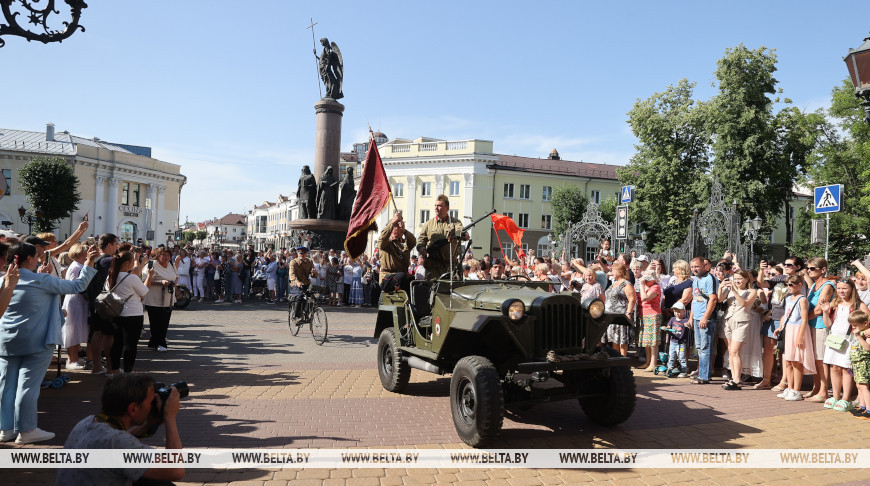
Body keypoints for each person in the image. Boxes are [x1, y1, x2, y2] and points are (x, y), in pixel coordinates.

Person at [0, 242, 97, 444]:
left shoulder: (4, 280)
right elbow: (78, 285)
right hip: (37, 340)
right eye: (37, 256)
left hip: (7, 339)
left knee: (6, 386)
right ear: (28, 258)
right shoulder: (41, 280)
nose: (39, 259)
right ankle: (26, 430)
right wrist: (89, 262)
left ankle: (6, 428)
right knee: (27, 386)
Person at [56, 374, 184, 485]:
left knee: (151, 480)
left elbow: (119, 443)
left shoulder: (87, 422)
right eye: (151, 400)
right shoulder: (116, 442)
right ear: (133, 409)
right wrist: (170, 418)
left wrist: (148, 423)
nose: (154, 404)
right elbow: (174, 470)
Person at [820, 279, 869, 411]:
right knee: (834, 367)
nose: (841, 291)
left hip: (850, 340)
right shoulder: (835, 303)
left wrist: (862, 332)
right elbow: (828, 324)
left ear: (852, 289)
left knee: (846, 369)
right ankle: (836, 396)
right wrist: (825, 311)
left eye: (845, 288)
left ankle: (846, 398)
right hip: (835, 339)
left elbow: (868, 322)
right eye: (839, 288)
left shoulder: (859, 305)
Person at [107, 251, 149, 375]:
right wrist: (150, 276)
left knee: (117, 342)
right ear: (127, 263)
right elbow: (144, 292)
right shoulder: (132, 277)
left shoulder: (111, 276)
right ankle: (127, 371)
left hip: (116, 313)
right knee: (131, 344)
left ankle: (114, 369)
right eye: (132, 261)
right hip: (133, 313)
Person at [775, 275, 815, 401]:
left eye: (792, 284)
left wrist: (800, 336)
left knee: (796, 361)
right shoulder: (788, 298)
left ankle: (796, 390)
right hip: (788, 328)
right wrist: (781, 326)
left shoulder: (802, 299)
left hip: (797, 329)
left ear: (800, 285)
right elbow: (785, 315)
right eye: (787, 284)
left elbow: (804, 320)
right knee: (788, 360)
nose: (789, 287)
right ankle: (790, 388)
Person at [718, 270, 757, 390]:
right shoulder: (729, 289)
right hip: (728, 321)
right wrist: (721, 287)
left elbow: (743, 304)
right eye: (735, 279)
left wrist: (734, 291)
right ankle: (734, 378)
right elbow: (719, 299)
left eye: (740, 278)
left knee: (735, 351)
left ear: (746, 279)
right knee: (730, 351)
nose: (737, 281)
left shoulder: (752, 291)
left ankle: (737, 380)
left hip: (741, 322)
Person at [804, 258, 836, 401]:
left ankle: (823, 391)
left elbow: (818, 310)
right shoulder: (814, 285)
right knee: (815, 359)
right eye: (808, 268)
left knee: (821, 360)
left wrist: (803, 320)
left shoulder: (827, 286)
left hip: (821, 326)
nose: (809, 271)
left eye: (812, 268)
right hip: (812, 325)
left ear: (823, 270)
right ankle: (816, 387)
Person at [416, 194, 467, 280]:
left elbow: (461, 234)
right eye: (435, 205)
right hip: (434, 267)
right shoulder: (429, 224)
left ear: (447, 208)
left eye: (439, 206)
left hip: (450, 266)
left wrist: (455, 234)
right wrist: (421, 249)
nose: (436, 208)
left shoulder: (455, 223)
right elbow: (421, 240)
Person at [690, 256, 718, 384]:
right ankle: (702, 373)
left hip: (706, 319)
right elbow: (694, 298)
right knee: (700, 348)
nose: (694, 269)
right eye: (692, 267)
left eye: (697, 266)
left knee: (705, 347)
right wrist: (691, 317)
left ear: (704, 266)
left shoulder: (709, 278)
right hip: (696, 318)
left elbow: (713, 299)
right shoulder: (695, 279)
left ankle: (704, 376)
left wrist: (705, 317)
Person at [143, 247, 177, 352]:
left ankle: (154, 341)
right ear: (158, 256)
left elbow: (176, 276)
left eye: (168, 255)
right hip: (154, 299)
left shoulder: (171, 265)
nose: (166, 257)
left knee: (164, 322)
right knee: (156, 322)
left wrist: (173, 283)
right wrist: (160, 282)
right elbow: (145, 280)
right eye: (164, 255)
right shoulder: (151, 264)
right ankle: (160, 343)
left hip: (168, 299)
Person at [61, 244, 89, 370]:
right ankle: (71, 359)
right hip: (75, 300)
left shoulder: (78, 265)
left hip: (78, 300)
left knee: (76, 329)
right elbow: (75, 285)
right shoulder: (76, 267)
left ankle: (75, 357)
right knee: (71, 329)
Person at [603, 262, 636, 357]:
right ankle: (615, 359)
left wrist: (629, 313)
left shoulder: (626, 284)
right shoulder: (614, 283)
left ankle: (623, 360)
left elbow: (632, 299)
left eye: (613, 270)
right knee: (614, 339)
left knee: (622, 339)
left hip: (621, 316)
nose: (611, 271)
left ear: (620, 271)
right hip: (611, 316)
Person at [637, 268, 662, 372]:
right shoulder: (647, 286)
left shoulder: (655, 287)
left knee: (653, 341)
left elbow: (644, 298)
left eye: (648, 279)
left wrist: (642, 285)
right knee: (647, 341)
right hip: (644, 315)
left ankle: (653, 364)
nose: (646, 281)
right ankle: (648, 362)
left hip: (653, 315)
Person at [848, 311, 870, 419]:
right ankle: (862, 406)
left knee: (864, 386)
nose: (854, 327)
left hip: (864, 363)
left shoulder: (866, 334)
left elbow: (867, 348)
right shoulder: (860, 333)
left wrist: (858, 336)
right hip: (856, 363)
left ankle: (869, 410)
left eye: (856, 325)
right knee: (859, 386)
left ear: (865, 323)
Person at [663, 302, 690, 377]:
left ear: (683, 311)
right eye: (675, 311)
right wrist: (666, 328)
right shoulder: (672, 319)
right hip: (673, 342)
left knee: (681, 357)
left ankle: (684, 371)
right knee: (671, 356)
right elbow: (668, 327)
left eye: (679, 311)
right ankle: (669, 369)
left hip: (681, 343)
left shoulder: (685, 320)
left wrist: (688, 325)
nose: (677, 313)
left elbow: (691, 327)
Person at [289, 247, 315, 319]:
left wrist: (314, 273)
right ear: (297, 253)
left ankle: (306, 312)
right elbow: (292, 274)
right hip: (295, 284)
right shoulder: (293, 262)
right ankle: (297, 316)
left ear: (306, 254)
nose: (302, 255)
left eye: (303, 253)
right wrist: (297, 282)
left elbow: (314, 275)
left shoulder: (309, 261)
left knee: (313, 297)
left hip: (306, 283)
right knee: (299, 296)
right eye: (300, 253)